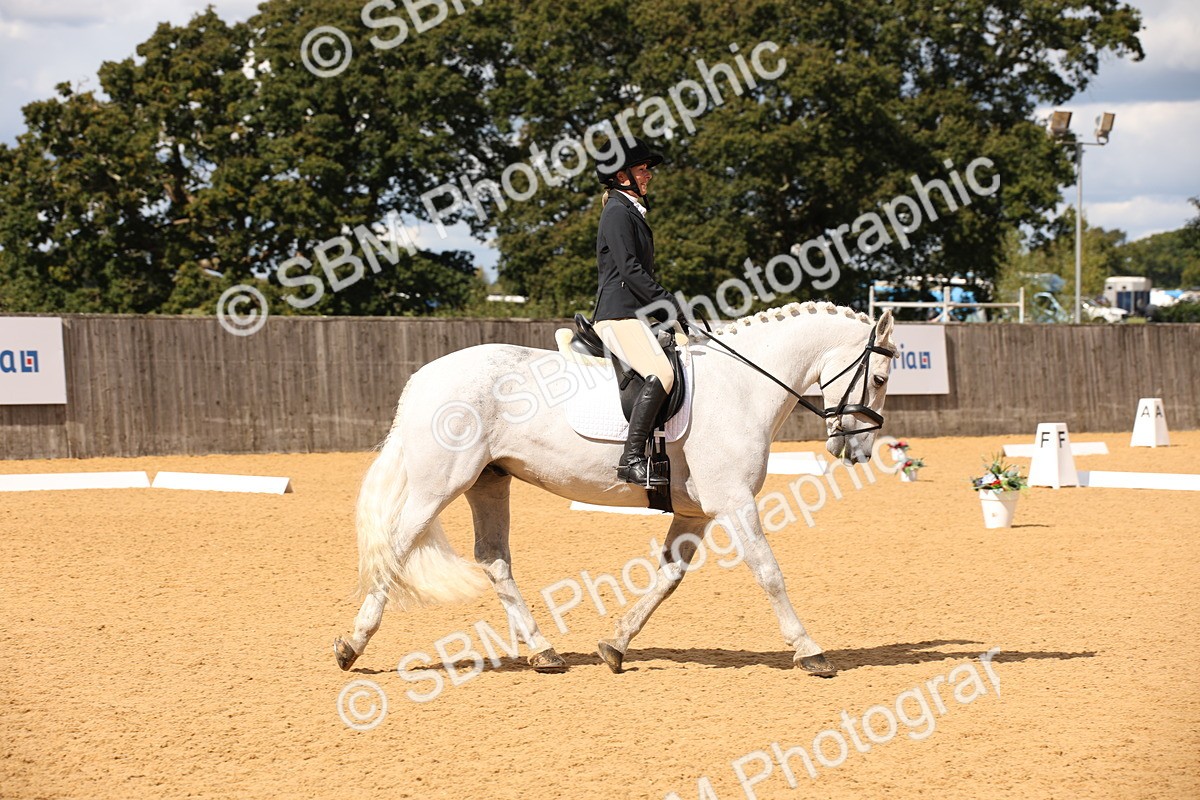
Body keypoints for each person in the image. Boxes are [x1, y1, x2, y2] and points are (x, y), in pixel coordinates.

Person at [593, 136, 687, 487]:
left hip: (632, 313)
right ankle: (630, 459)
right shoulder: (618, 212)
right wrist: (670, 305)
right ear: (622, 176)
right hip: (617, 315)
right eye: (643, 169)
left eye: (647, 169)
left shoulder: (628, 210)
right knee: (662, 373)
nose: (648, 175)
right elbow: (631, 271)